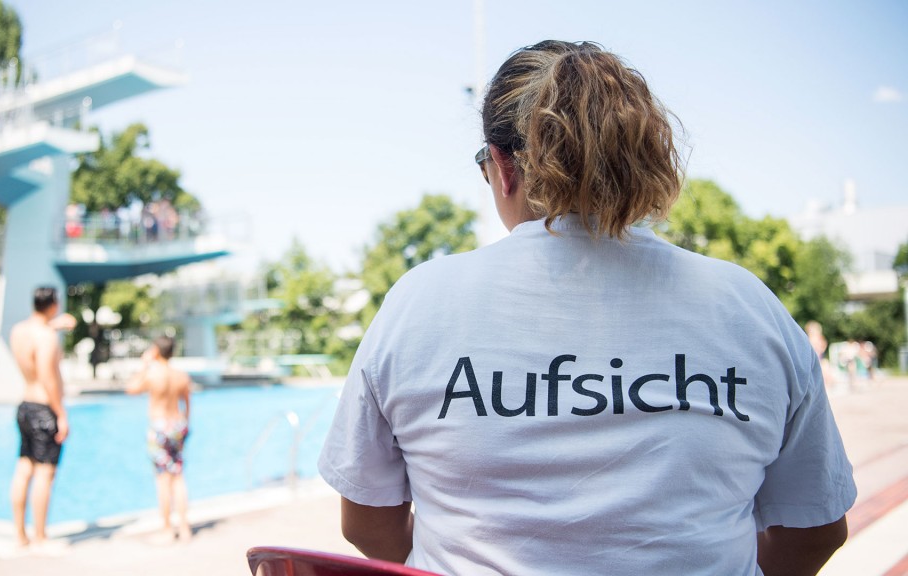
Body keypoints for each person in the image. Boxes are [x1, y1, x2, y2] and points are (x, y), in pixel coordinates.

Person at [318, 41, 855, 575]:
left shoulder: (420, 304)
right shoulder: (750, 310)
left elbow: (368, 520)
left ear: (503, 168)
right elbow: (813, 528)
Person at [8, 286, 70, 550]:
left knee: (24, 469)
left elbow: (37, 340)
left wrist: (53, 326)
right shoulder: (47, 337)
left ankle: (21, 535)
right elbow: (47, 375)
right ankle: (41, 537)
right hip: (44, 409)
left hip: (24, 405)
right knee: (45, 474)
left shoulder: (19, 331)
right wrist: (61, 413)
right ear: (54, 304)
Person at [126, 335, 193, 543]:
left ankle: (166, 528)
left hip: (159, 426)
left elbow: (131, 389)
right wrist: (186, 424)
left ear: (156, 350)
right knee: (178, 477)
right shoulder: (181, 376)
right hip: (178, 425)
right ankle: (184, 527)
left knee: (163, 479)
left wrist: (144, 364)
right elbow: (187, 405)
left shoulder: (153, 375)